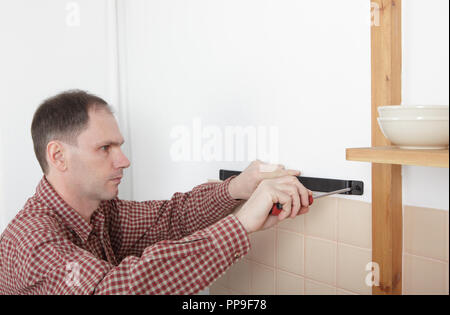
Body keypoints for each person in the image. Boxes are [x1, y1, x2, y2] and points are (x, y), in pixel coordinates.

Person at [0, 90, 311, 295]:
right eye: (105, 148)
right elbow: (113, 289)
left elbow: (172, 218)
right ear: (58, 156)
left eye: (119, 146)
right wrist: (241, 224)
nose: (123, 160)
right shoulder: (34, 239)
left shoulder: (101, 212)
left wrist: (236, 189)